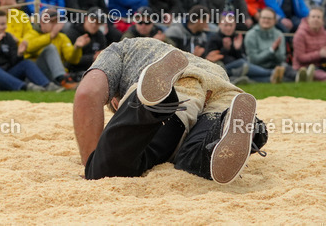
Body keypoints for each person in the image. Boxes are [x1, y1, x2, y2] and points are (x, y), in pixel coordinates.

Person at [73, 39, 267, 184]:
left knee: (107, 169)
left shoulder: (121, 49)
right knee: (190, 161)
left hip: (182, 85)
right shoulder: (206, 65)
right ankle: (236, 127)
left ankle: (155, 103)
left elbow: (86, 94)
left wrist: (93, 162)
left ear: (115, 102)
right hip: (224, 90)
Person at [0, 10, 56, 92]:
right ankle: (25, 87)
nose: (5, 27)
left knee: (26, 63)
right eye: (2, 24)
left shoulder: (7, 37)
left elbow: (13, 63)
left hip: (4, 78)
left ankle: (47, 85)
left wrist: (19, 54)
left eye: (5, 24)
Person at [291, 6, 326, 81]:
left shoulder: (324, 34)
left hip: (321, 66)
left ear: (323, 21)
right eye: (313, 17)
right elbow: (301, 58)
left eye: (318, 17)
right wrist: (319, 54)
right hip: (302, 68)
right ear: (308, 19)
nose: (316, 19)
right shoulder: (300, 34)